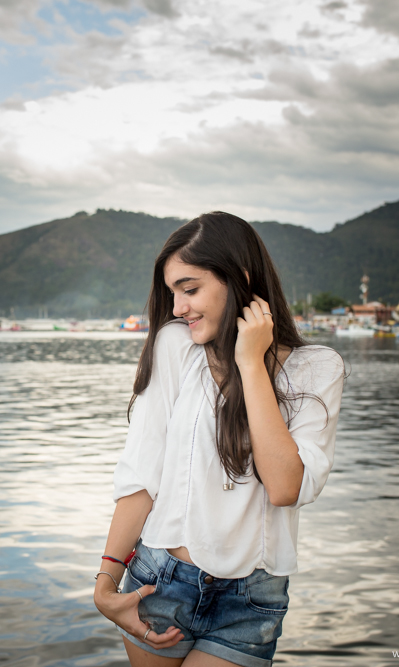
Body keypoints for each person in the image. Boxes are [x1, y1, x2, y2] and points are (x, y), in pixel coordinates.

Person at [93, 212, 345, 667]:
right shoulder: (175, 346)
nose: (177, 308)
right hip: (159, 582)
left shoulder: (318, 368)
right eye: (173, 293)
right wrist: (105, 585)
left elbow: (286, 487)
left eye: (190, 290)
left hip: (248, 604)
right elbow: (141, 475)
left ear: (240, 281)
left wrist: (250, 362)